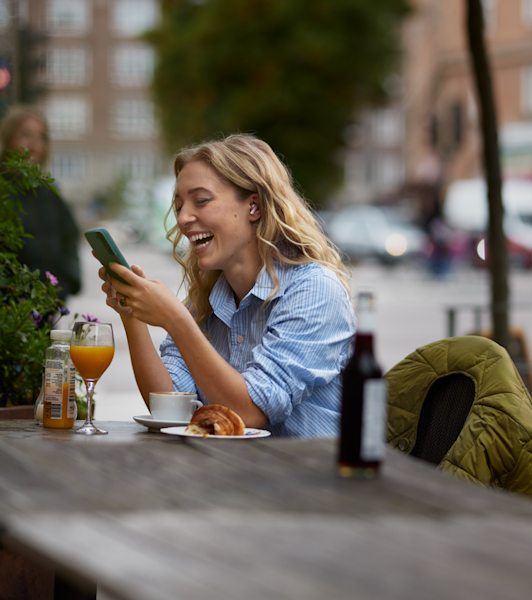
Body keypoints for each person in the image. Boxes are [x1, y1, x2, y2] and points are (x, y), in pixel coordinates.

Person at [100, 134, 355, 438]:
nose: (183, 218)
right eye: (179, 206)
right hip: (231, 465)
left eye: (201, 200)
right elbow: (170, 409)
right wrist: (132, 315)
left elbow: (248, 414)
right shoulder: (206, 301)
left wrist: (175, 320)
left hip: (307, 467)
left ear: (254, 206)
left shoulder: (314, 290)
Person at [0, 106, 81, 300]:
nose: (34, 144)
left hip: (49, 303)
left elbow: (70, 236)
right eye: (25, 135)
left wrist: (67, 283)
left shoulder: (49, 191)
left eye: (41, 137)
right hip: (7, 306)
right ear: (7, 138)